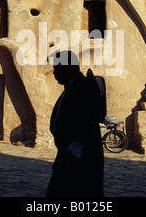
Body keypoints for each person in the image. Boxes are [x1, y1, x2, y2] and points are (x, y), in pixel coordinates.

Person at [46, 50, 104, 197]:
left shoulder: (81, 88)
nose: (54, 73)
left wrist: (72, 153)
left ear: (67, 68)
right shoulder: (72, 87)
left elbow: (85, 125)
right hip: (68, 155)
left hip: (78, 160)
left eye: (57, 68)